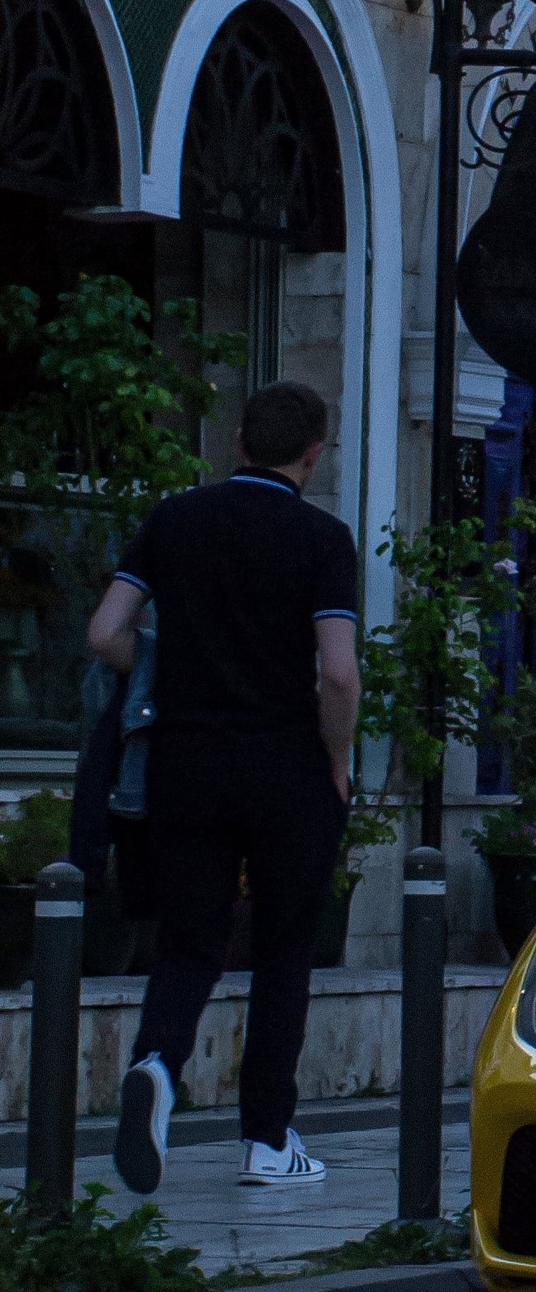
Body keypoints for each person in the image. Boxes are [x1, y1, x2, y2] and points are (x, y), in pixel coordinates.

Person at [87, 380, 361, 1191]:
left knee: (189, 944)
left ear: (237, 441)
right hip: (286, 771)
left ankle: (157, 1068)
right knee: (284, 951)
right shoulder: (322, 539)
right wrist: (338, 764)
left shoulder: (175, 521)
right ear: (312, 455)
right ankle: (269, 1142)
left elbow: (106, 631)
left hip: (186, 764)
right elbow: (338, 675)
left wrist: (168, 676)